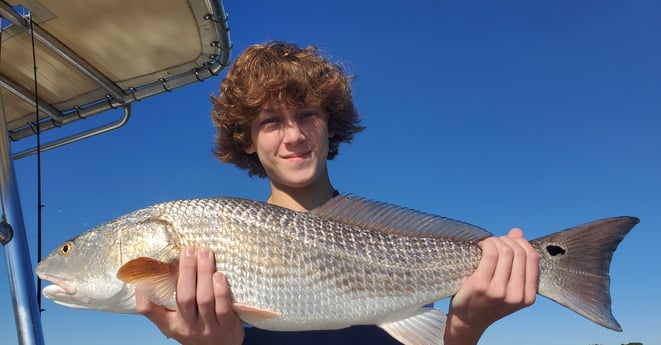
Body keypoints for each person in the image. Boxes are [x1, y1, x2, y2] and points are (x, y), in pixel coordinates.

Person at [135, 41, 539, 345]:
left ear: (330, 124)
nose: (293, 135)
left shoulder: (391, 244)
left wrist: (467, 329)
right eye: (271, 121)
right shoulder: (208, 267)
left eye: (308, 114)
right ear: (246, 140)